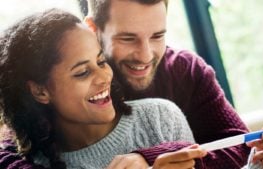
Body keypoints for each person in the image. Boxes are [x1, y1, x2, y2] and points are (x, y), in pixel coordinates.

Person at [0, 1, 263, 169]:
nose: (145, 55)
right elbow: (9, 152)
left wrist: (152, 157)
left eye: (157, 36)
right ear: (94, 30)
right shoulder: (48, 105)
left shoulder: (181, 77)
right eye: (128, 38)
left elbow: (239, 145)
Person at [0, 8, 202, 169]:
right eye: (82, 73)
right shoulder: (32, 163)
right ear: (40, 91)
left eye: (101, 61)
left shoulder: (160, 118)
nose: (104, 77)